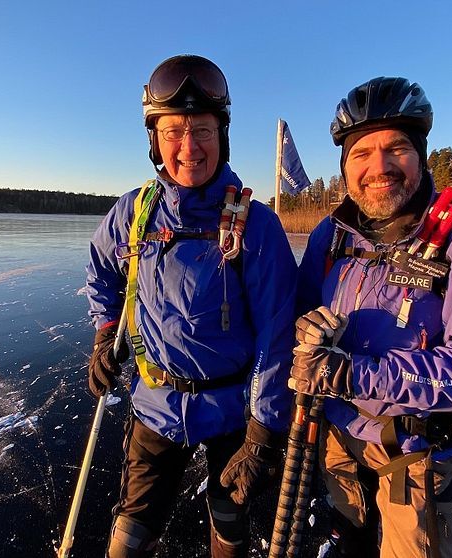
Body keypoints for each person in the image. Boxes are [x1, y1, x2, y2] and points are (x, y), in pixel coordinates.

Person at [289, 77, 452, 558]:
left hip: (414, 453)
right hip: (336, 436)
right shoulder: (332, 235)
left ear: (420, 154)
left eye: (396, 148)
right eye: (361, 153)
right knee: (347, 542)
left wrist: (359, 374)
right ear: (344, 166)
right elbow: (299, 312)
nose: (379, 167)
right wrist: (305, 333)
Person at [85, 54, 297, 558]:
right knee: (133, 527)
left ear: (221, 133)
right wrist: (105, 329)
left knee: (229, 522)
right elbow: (101, 270)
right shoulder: (134, 212)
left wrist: (264, 431)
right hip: (154, 405)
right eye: (173, 131)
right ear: (154, 140)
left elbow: (277, 333)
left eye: (200, 129)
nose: (188, 147)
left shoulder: (256, 225)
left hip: (232, 414)